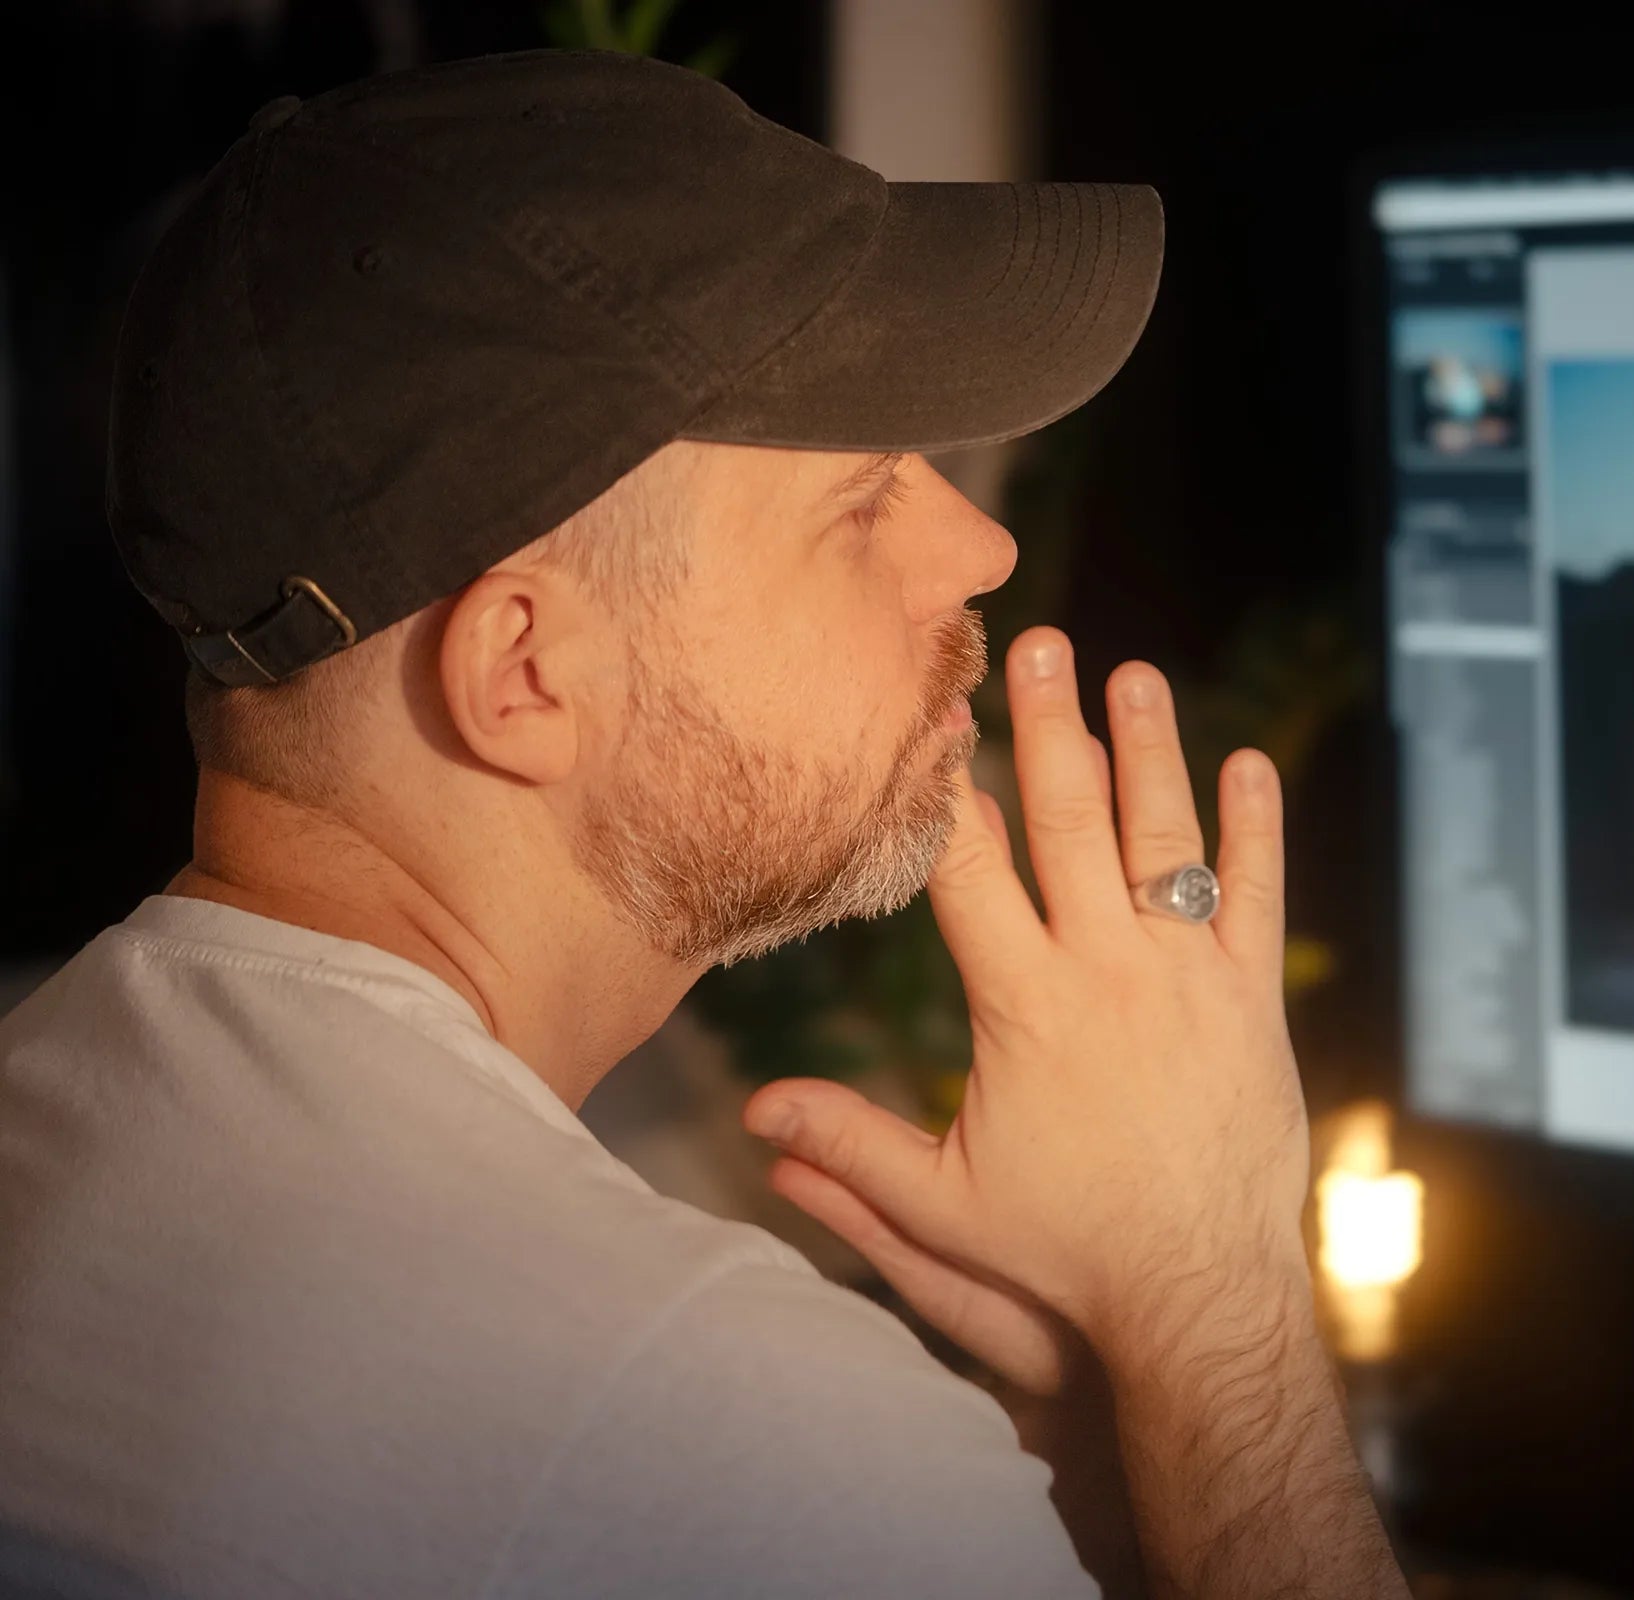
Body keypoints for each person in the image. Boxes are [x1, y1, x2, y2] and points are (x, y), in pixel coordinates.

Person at [0, 48, 1408, 1600]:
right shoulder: (690, 1418)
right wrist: (1221, 1301)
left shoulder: (57, 1128)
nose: (983, 547)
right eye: (865, 492)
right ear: (526, 673)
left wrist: (1095, 1392)